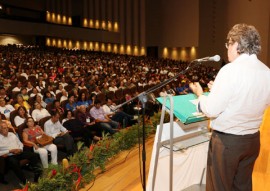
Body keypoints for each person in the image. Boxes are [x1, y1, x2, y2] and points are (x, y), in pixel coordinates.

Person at [189, 23, 270, 191]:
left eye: (229, 44)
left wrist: (200, 95)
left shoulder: (230, 70)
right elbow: (255, 98)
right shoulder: (266, 72)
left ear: (237, 45)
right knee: (242, 186)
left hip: (227, 143)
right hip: (252, 140)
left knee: (219, 187)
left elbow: (211, 109)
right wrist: (218, 91)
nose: (227, 48)